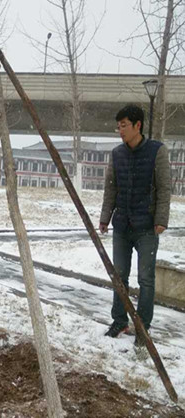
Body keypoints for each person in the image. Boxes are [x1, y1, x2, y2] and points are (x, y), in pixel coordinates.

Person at [99, 104, 171, 345]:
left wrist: (161, 219)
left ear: (137, 125)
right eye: (118, 126)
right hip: (122, 225)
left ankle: (142, 326)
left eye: (124, 125)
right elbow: (111, 187)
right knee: (119, 276)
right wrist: (105, 217)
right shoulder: (117, 154)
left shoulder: (157, 152)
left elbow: (164, 187)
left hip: (147, 227)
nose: (120, 130)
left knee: (146, 279)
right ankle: (119, 321)